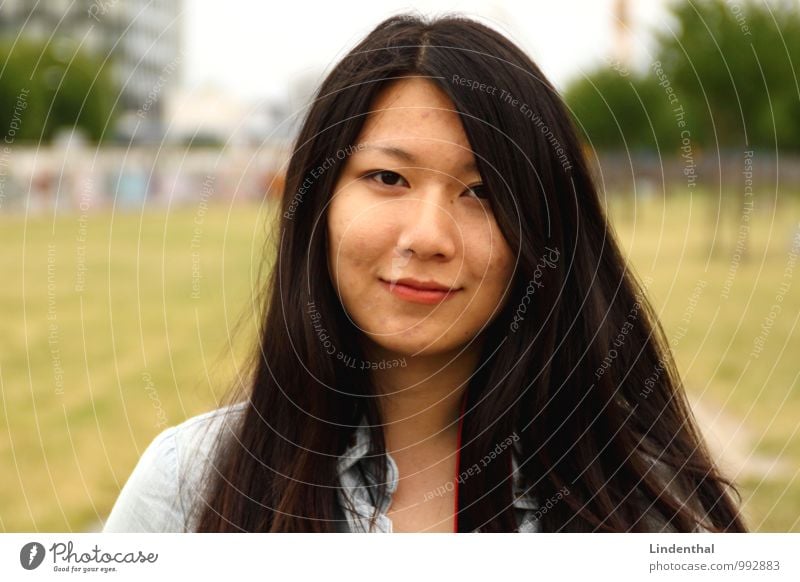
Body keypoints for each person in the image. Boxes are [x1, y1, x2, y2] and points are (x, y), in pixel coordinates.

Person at [103, 13, 747, 533]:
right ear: (318, 204)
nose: (429, 237)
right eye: (388, 177)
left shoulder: (650, 514)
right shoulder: (185, 489)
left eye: (483, 191)